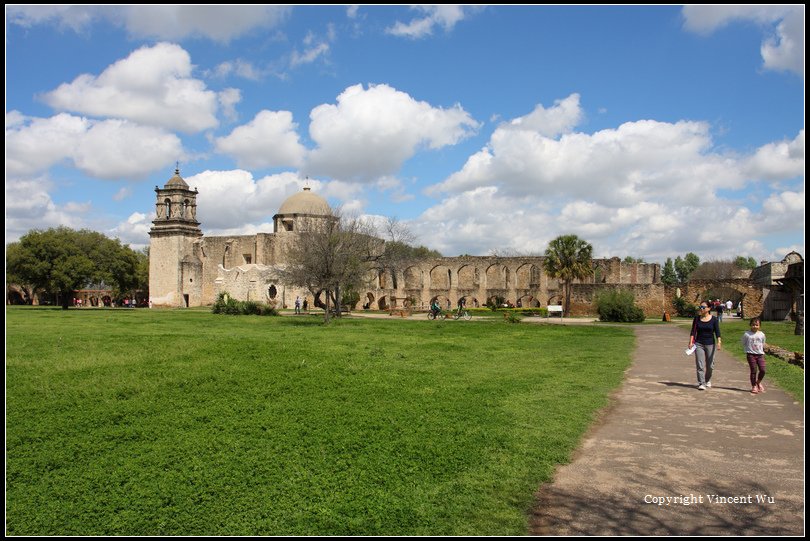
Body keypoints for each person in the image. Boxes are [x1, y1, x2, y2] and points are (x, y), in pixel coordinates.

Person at [689, 301, 722, 390]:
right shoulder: (696, 319)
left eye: (703, 307)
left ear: (709, 308)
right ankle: (701, 383)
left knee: (710, 365)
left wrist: (719, 342)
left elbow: (717, 332)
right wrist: (691, 342)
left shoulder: (714, 319)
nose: (701, 309)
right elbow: (693, 331)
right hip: (699, 343)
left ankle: (707, 380)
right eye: (700, 307)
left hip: (710, 343)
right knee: (700, 364)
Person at [742, 317, 766, 394]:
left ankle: (758, 382)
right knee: (753, 370)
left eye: (756, 325)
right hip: (751, 354)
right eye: (753, 325)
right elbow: (743, 342)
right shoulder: (747, 334)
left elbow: (763, 343)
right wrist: (748, 349)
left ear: (759, 326)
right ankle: (754, 386)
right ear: (750, 325)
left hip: (760, 354)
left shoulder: (762, 334)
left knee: (762, 370)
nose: (755, 326)